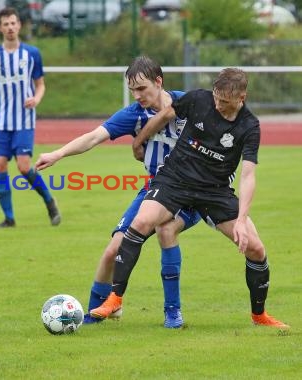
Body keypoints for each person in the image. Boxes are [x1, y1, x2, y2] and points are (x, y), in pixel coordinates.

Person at [90, 68, 289, 329]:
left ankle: (259, 316)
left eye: (225, 102)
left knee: (256, 248)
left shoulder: (249, 126)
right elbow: (165, 114)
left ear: (242, 97)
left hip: (214, 191)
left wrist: (241, 219)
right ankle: (115, 298)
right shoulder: (198, 99)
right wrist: (139, 141)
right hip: (175, 179)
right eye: (216, 97)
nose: (217, 105)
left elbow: (248, 175)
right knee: (140, 223)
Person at [35, 56, 201, 328]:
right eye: (132, 89)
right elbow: (93, 136)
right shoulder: (134, 114)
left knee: (166, 230)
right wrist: (58, 153)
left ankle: (173, 312)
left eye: (142, 88)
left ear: (159, 82)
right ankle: (96, 312)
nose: (137, 95)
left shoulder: (188, 104)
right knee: (114, 249)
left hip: (191, 192)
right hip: (154, 189)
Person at [0, 7, 60, 228]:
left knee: (24, 167)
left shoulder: (32, 54)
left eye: (13, 23)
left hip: (24, 120)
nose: (10, 28)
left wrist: (36, 98)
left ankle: (49, 201)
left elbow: (41, 84)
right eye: (5, 24)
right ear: (0, 28)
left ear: (19, 26)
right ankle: (9, 218)